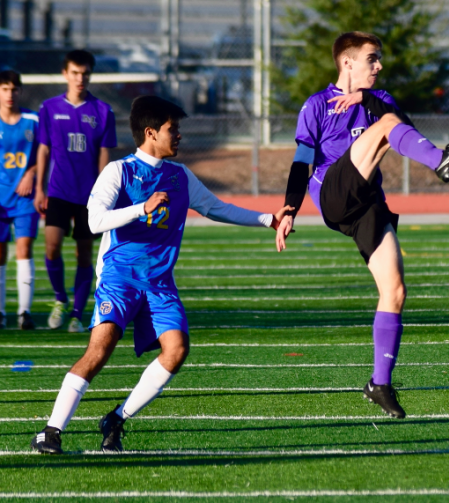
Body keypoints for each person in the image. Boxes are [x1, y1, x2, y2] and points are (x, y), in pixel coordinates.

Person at [30, 96, 293, 454]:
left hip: (159, 282)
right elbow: (94, 221)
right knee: (100, 350)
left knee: (177, 350)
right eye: (174, 129)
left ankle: (116, 419)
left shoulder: (179, 176)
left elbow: (216, 207)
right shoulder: (120, 171)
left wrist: (268, 219)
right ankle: (51, 431)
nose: (180, 135)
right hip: (119, 278)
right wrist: (141, 208)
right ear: (151, 133)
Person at [275, 31, 449, 419]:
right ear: (347, 63)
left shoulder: (379, 101)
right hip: (332, 193)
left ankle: (379, 384)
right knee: (386, 125)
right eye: (372, 58)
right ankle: (441, 160)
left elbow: (402, 128)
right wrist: (289, 209)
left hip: (367, 204)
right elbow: (302, 161)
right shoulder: (317, 105)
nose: (379, 66)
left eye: (380, 58)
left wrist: (366, 99)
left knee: (395, 290)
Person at [35, 50, 117, 333]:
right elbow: (43, 150)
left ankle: (77, 314)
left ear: (90, 75)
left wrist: (103, 194)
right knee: (52, 246)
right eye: (74, 73)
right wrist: (39, 188)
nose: (80, 78)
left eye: (85, 73)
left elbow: (104, 155)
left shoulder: (103, 111)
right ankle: (60, 299)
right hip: (57, 191)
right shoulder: (48, 108)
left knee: (84, 255)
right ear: (65, 74)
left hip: (88, 197)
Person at [0, 70, 38, 330]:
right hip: (1, 199)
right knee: (0, 254)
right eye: (4, 89)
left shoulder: (32, 120)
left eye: (14, 89)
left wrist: (32, 174)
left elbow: (45, 155)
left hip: (25, 198)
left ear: (20, 91)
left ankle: (24, 312)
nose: (9, 94)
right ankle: (1, 312)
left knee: (24, 250)